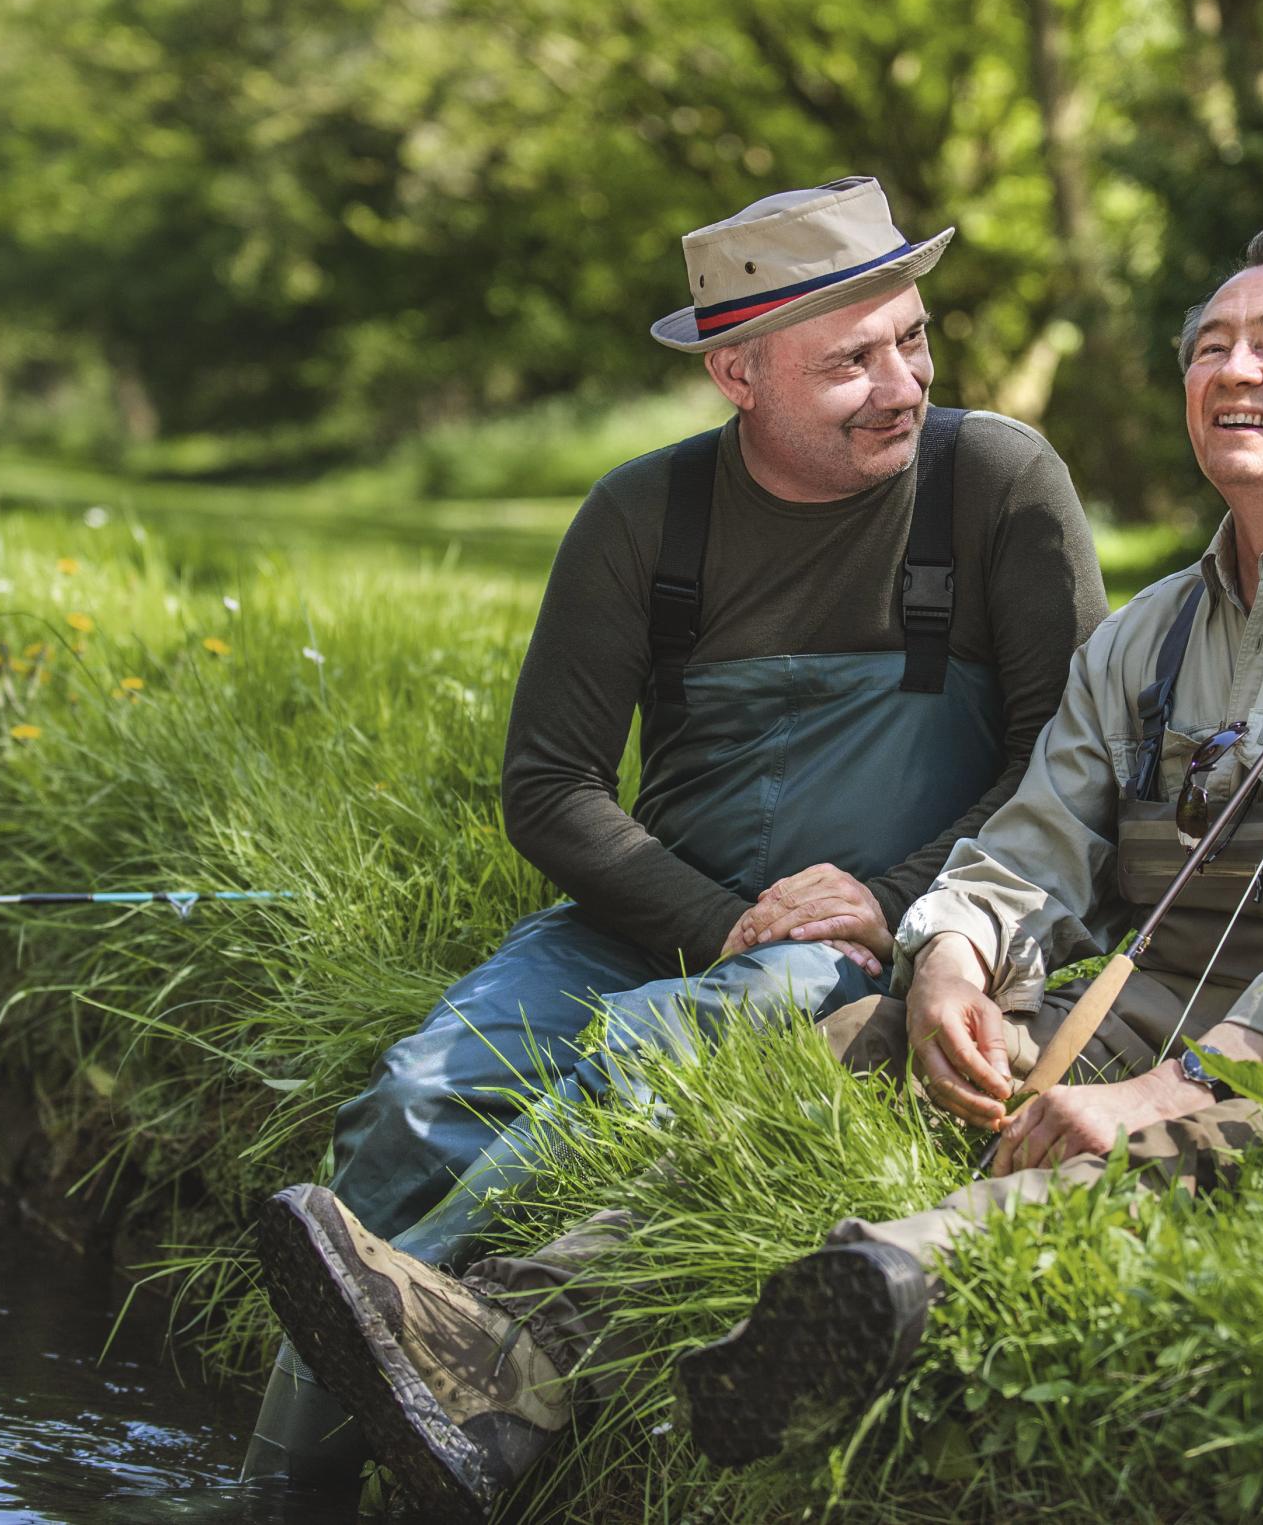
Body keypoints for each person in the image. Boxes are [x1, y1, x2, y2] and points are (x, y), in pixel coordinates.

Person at [251, 227, 1263, 1511]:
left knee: (1122, 1155)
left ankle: (869, 1296)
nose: (1232, 369)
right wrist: (948, 959)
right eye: (1209, 345)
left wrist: (1163, 1091)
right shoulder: (1158, 634)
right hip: (1152, 999)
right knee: (839, 1050)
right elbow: (1032, 837)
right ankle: (513, 1354)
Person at [241, 176, 1107, 1491]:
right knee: (422, 1092)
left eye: (914, 339)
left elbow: (1071, 761)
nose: (902, 382)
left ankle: (438, 1354)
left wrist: (891, 897)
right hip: (654, 920)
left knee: (655, 1053)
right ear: (737, 373)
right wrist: (714, 920)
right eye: (852, 361)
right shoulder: (645, 517)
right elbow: (550, 783)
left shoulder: (997, 485)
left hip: (896, 939)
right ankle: (279, 1491)